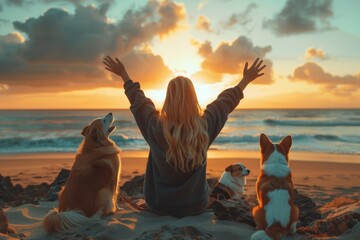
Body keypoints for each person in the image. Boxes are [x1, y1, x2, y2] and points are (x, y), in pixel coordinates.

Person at [103, 56, 266, 217]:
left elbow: (139, 101)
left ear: (168, 99)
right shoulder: (204, 127)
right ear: (193, 98)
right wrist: (245, 80)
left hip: (158, 205)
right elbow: (224, 103)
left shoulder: (154, 126)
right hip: (194, 206)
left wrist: (123, 74)